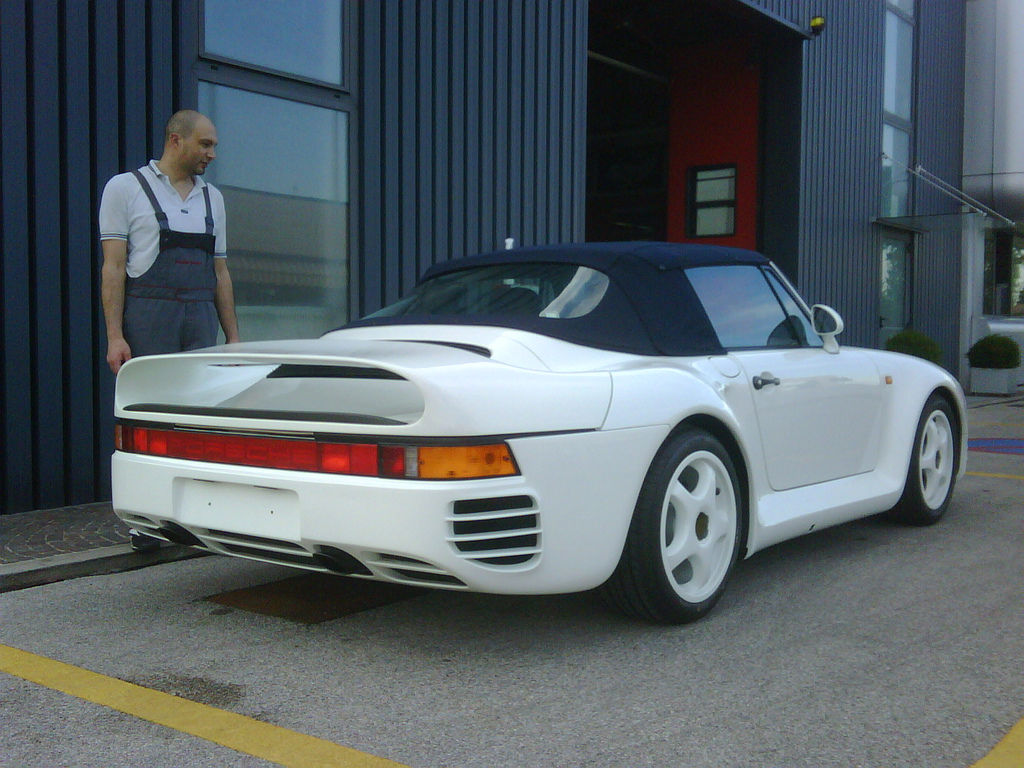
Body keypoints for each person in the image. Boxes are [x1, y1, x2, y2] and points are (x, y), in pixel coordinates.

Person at [99, 109, 240, 551]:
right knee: (147, 421)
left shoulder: (212, 198)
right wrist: (115, 336)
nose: (212, 154)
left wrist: (233, 338)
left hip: (198, 318)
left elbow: (220, 273)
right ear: (176, 141)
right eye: (205, 144)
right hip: (149, 317)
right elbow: (114, 267)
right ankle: (146, 521)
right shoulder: (126, 188)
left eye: (213, 145)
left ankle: (197, 520)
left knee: (199, 421)